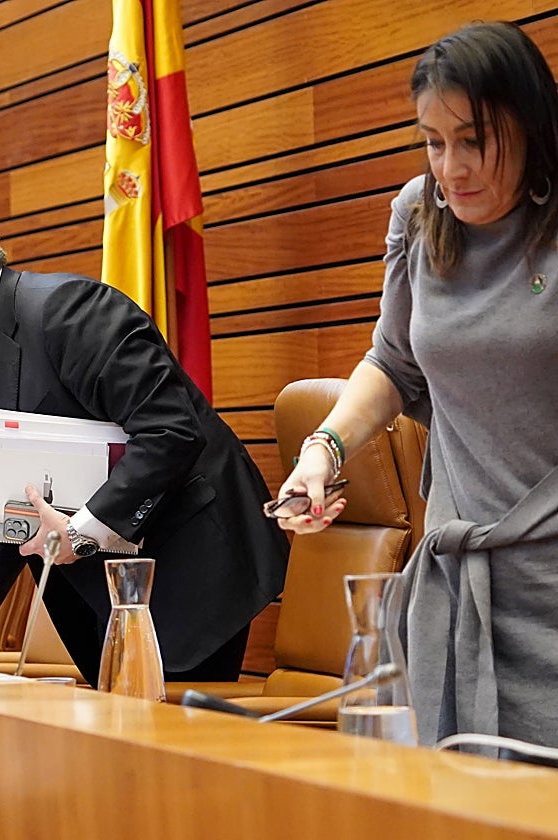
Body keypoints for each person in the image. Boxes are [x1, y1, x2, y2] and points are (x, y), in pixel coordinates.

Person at [273, 21, 558, 748]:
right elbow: (394, 362)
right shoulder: (420, 212)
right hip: (455, 583)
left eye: (473, 140)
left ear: (530, 125)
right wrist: (323, 452)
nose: (450, 167)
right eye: (433, 142)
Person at [0, 200, 289, 683]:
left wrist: (80, 530)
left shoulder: (69, 312)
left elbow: (170, 431)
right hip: (109, 588)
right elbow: (12, 519)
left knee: (167, 749)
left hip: (189, 565)